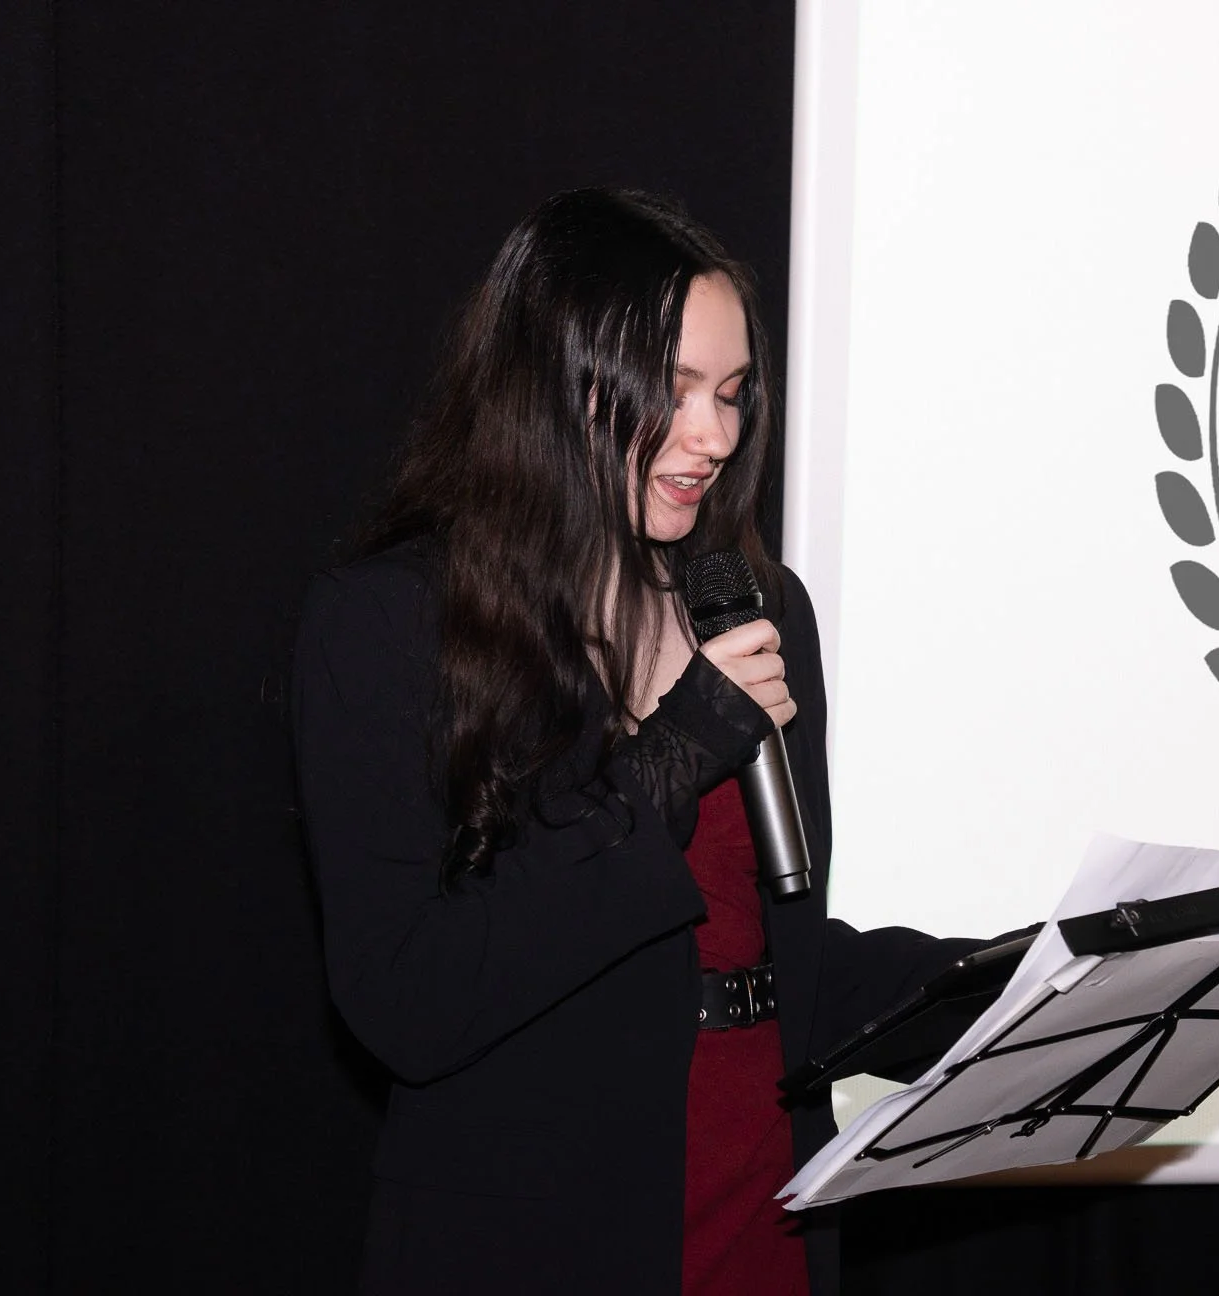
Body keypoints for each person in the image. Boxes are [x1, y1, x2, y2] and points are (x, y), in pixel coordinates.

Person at [291, 188, 979, 1294]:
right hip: (537, 1233)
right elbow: (408, 1000)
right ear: (555, 384)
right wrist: (668, 754)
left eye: (734, 394)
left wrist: (1021, 980)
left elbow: (769, 958)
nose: (714, 436)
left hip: (763, 1204)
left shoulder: (753, 605)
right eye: (674, 391)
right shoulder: (391, 625)